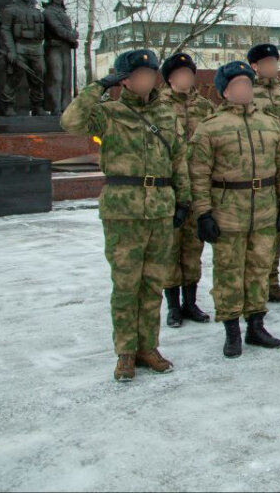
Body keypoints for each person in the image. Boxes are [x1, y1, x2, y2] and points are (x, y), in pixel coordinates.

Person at [61, 49, 190, 382]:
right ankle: (125, 352)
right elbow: (71, 122)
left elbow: (179, 160)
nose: (148, 80)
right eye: (141, 74)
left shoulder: (165, 113)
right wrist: (99, 86)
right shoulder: (109, 113)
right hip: (123, 211)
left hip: (160, 209)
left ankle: (149, 346)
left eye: (152, 74)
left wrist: (183, 202)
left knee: (152, 285)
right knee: (125, 287)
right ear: (125, 80)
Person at [189, 61, 280, 358]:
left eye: (247, 84)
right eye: (237, 85)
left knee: (259, 270)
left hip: (264, 209)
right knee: (229, 274)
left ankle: (256, 325)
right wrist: (203, 213)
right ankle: (232, 330)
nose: (244, 89)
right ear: (225, 91)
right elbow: (197, 174)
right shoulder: (210, 128)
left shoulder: (269, 123)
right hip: (228, 213)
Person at [158, 52, 216, 328]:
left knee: (193, 248)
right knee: (170, 249)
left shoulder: (204, 107)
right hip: (167, 190)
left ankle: (191, 303)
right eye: (181, 74)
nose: (187, 78)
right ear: (170, 78)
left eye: (190, 74)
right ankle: (173, 306)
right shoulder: (156, 106)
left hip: (198, 188)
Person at [247, 43, 280, 304]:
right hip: (254, 174)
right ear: (254, 66)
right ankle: (251, 286)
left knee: (279, 230)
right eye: (266, 62)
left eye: (274, 62)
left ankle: (272, 281)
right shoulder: (247, 95)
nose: (272, 67)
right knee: (252, 237)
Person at [0, 0, 47, 116]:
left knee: (38, 76)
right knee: (15, 76)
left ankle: (37, 106)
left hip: (37, 47)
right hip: (20, 45)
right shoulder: (11, 10)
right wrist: (11, 50)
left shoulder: (37, 11)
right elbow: (5, 30)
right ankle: (8, 105)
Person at [42, 0, 79, 115]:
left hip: (65, 48)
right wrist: (72, 36)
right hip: (54, 48)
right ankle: (55, 106)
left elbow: (66, 32)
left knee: (66, 79)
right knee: (56, 78)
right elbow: (57, 29)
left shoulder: (63, 13)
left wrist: (73, 41)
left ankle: (65, 106)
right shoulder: (48, 12)